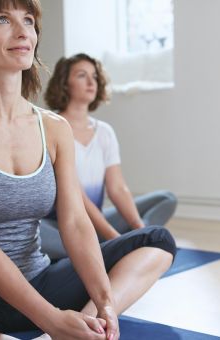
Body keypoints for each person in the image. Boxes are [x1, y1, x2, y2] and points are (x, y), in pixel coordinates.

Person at [0, 1, 175, 339]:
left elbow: (76, 221)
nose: (24, 32)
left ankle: (86, 328)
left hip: (40, 282)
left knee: (156, 241)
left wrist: (104, 302)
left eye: (29, 20)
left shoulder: (53, 127)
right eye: (4, 19)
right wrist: (50, 320)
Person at [40, 53, 177, 260]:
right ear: (64, 83)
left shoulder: (105, 132)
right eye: (81, 75)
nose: (90, 82)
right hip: (61, 227)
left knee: (166, 199)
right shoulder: (52, 127)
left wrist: (139, 229)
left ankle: (110, 246)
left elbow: (117, 188)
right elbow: (78, 197)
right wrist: (115, 238)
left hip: (97, 222)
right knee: (32, 231)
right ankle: (109, 247)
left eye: (94, 76)